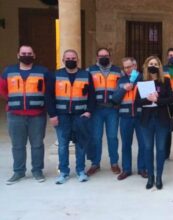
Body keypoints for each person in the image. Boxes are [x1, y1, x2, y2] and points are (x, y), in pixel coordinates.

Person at [45, 49, 95, 184]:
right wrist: (52, 115)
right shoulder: (55, 75)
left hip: (80, 116)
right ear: (63, 60)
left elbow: (92, 95)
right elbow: (48, 96)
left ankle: (80, 171)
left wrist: (89, 111)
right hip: (62, 116)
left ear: (77, 60)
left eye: (73, 58)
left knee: (80, 145)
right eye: (68, 58)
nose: (71, 60)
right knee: (62, 145)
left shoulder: (86, 75)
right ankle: (64, 172)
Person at [0, 45, 49, 185]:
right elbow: (3, 89)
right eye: (23, 53)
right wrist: (13, 101)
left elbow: (48, 91)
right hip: (15, 114)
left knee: (37, 144)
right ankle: (19, 171)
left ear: (34, 55)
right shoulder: (8, 71)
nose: (26, 55)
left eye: (29, 53)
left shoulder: (43, 72)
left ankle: (37, 171)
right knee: (17, 145)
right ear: (18, 55)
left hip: (37, 114)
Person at [136, 56, 173, 189]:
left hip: (162, 119)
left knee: (161, 148)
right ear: (146, 65)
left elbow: (170, 99)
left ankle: (159, 177)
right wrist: (148, 98)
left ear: (159, 66)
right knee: (147, 148)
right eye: (151, 63)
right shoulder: (142, 81)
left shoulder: (166, 81)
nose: (153, 65)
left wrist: (157, 100)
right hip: (146, 120)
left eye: (156, 64)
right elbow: (137, 102)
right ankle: (150, 176)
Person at [86, 48, 122, 176]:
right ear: (96, 57)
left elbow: (123, 89)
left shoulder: (118, 71)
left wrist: (119, 104)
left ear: (110, 57)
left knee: (112, 137)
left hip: (112, 109)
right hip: (96, 109)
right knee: (96, 137)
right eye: (101, 56)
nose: (103, 57)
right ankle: (95, 163)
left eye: (106, 55)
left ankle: (114, 163)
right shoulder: (89, 71)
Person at [112, 57, 147, 180]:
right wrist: (123, 89)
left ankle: (142, 168)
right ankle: (126, 169)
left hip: (140, 116)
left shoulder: (143, 78)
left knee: (143, 144)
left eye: (129, 67)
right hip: (125, 117)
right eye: (125, 67)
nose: (127, 69)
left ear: (135, 66)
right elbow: (115, 99)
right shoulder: (120, 80)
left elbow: (148, 97)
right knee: (126, 144)